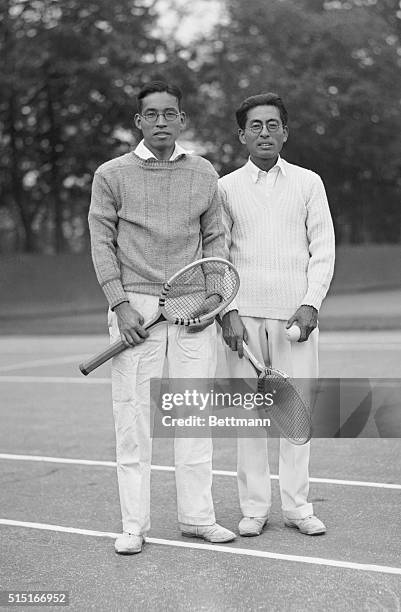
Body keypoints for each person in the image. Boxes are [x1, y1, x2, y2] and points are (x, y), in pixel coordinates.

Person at [88, 81, 236, 554]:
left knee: (192, 418)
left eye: (169, 114)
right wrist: (119, 302)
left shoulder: (203, 172)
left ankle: (198, 518)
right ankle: (135, 525)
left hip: (194, 307)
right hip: (136, 308)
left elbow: (215, 237)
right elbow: (101, 243)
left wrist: (214, 297)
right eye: (151, 115)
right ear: (138, 122)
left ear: (181, 119)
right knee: (133, 421)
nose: (160, 123)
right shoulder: (111, 174)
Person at [220, 92, 335, 537]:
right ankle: (254, 509)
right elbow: (220, 253)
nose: (264, 132)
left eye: (272, 125)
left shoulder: (309, 182)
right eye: (255, 125)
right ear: (242, 135)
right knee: (249, 419)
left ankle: (298, 507)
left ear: (285, 131)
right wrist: (227, 311)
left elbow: (322, 248)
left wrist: (310, 303)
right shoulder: (225, 187)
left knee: (297, 414)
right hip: (242, 321)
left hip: (295, 321)